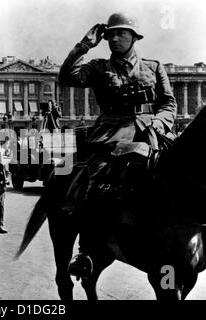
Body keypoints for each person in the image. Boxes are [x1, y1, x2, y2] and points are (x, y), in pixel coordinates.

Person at [58, 12, 177, 275]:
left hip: (151, 132)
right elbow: (68, 77)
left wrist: (159, 123)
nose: (114, 38)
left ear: (134, 37)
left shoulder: (153, 67)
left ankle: (203, 240)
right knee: (95, 181)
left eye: (121, 33)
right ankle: (86, 251)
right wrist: (84, 45)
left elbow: (168, 103)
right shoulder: (99, 68)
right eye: (110, 34)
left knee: (184, 170)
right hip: (111, 135)